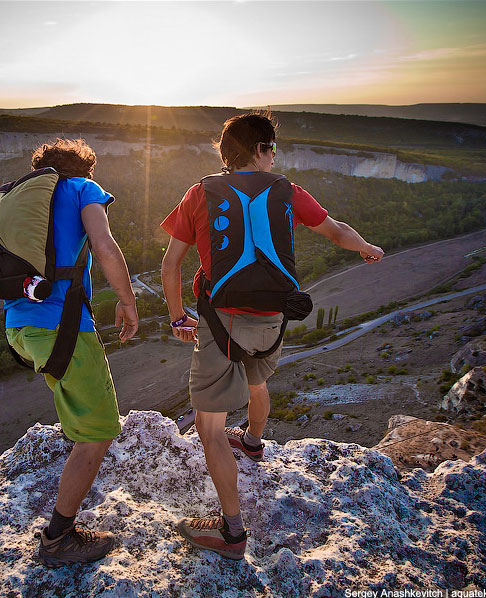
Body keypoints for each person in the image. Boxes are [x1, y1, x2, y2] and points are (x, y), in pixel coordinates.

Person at [160, 112, 384, 560]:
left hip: (220, 321)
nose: (274, 155)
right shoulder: (288, 191)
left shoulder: (199, 193)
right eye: (272, 148)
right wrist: (365, 247)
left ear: (226, 155)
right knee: (257, 382)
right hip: (274, 320)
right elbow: (335, 231)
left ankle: (232, 531)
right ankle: (255, 442)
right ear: (262, 150)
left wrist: (176, 317)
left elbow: (171, 264)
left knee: (208, 426)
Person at [4, 138, 138, 567]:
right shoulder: (83, 189)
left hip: (19, 326)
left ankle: (64, 511)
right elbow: (105, 246)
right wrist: (128, 300)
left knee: (79, 413)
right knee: (97, 433)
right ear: (85, 170)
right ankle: (58, 538)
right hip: (61, 327)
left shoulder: (19, 198)